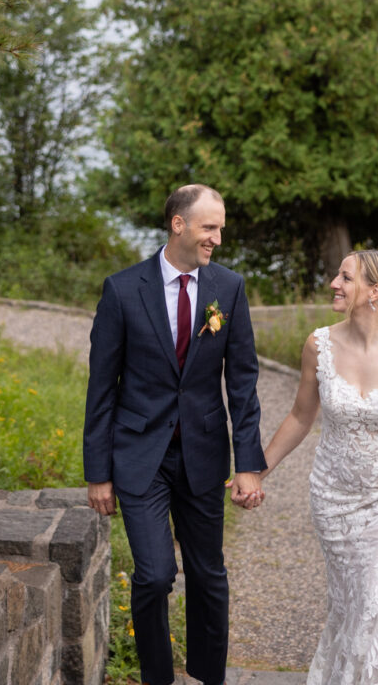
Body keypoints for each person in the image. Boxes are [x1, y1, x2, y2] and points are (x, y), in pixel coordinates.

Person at [83, 184, 266, 685]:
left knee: (208, 574)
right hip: (140, 455)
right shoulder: (122, 290)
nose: (217, 239)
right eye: (210, 227)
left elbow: (243, 383)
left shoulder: (229, 288)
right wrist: (98, 473)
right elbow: (101, 388)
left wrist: (249, 464)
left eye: (221, 229)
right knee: (155, 574)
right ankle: (157, 678)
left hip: (203, 454)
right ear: (178, 224)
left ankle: (208, 676)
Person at [262, 249, 378, 684]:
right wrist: (256, 470)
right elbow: (300, 417)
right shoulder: (318, 345)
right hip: (334, 499)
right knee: (351, 608)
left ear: (374, 291)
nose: (334, 285)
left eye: (345, 278)